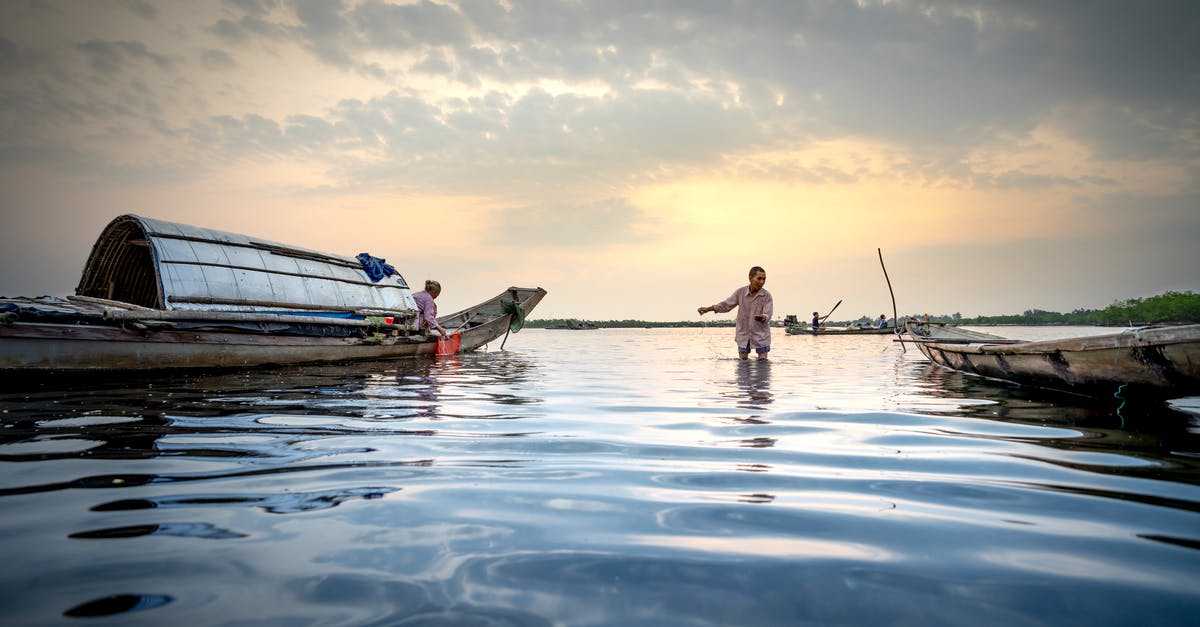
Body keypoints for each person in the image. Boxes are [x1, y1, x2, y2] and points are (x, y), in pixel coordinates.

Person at [698, 266, 773, 359]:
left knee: (763, 363)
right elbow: (726, 305)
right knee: (743, 363)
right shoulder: (740, 292)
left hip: (761, 334)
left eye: (764, 279)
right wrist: (709, 309)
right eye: (759, 278)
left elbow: (768, 314)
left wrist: (763, 317)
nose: (762, 282)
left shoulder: (766, 296)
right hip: (743, 334)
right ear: (750, 279)